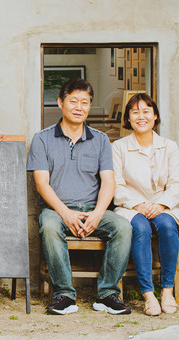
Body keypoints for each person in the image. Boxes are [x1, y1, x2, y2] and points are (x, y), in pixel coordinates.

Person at [27, 78, 132, 315]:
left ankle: (107, 295)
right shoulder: (42, 139)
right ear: (60, 103)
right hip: (57, 210)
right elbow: (42, 184)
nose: (79, 107)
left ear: (89, 106)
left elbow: (108, 182)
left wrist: (97, 214)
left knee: (124, 227)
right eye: (73, 101)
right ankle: (64, 295)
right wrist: (66, 213)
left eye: (84, 102)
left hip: (94, 209)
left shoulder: (101, 140)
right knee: (50, 226)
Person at [112, 92, 179, 316]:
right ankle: (148, 294)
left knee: (166, 226)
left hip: (161, 205)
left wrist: (162, 205)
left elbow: (176, 184)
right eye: (135, 112)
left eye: (146, 111)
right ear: (128, 118)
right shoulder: (119, 147)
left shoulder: (169, 146)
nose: (140, 116)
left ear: (155, 116)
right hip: (130, 207)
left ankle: (166, 290)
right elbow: (116, 184)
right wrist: (138, 205)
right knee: (141, 228)